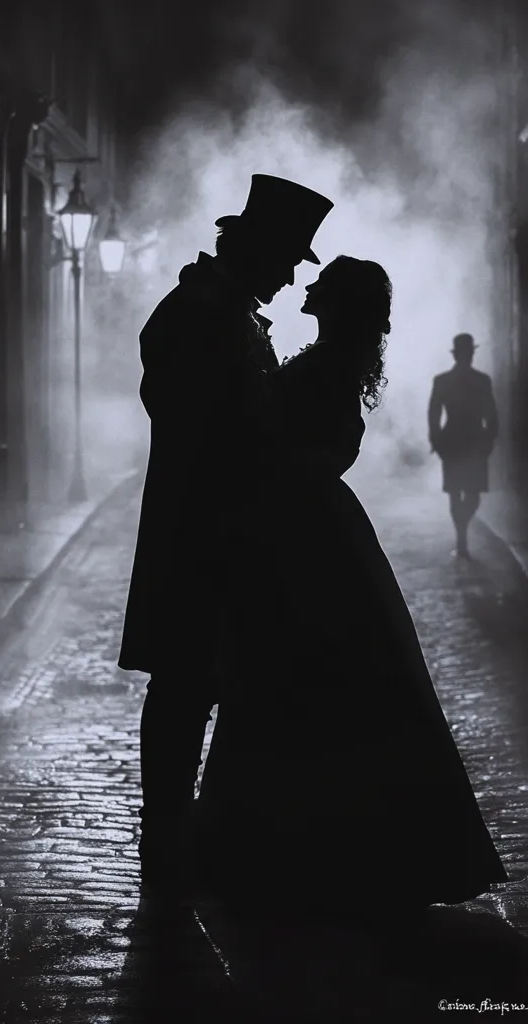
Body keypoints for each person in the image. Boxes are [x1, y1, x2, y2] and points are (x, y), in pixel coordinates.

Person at [192, 256, 507, 914]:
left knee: (291, 674)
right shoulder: (338, 360)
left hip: (299, 532)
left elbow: (275, 434)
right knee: (335, 675)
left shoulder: (326, 363)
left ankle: (295, 850)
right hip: (319, 527)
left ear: (337, 304)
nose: (308, 289)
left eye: (322, 286)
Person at [117, 174, 334, 893]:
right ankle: (166, 832)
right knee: (185, 681)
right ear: (257, 250)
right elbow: (201, 425)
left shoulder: (221, 311)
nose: (284, 277)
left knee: (199, 680)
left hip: (218, 530)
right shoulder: (201, 315)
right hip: (203, 532)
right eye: (283, 262)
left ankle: (179, 830)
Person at [428, 333, 499, 559]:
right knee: (463, 493)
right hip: (467, 442)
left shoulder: (447, 381)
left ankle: (461, 533)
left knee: (466, 494)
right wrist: (488, 439)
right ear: (463, 354)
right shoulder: (479, 380)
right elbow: (434, 413)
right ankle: (461, 539)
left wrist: (437, 440)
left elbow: (491, 414)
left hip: (460, 442)